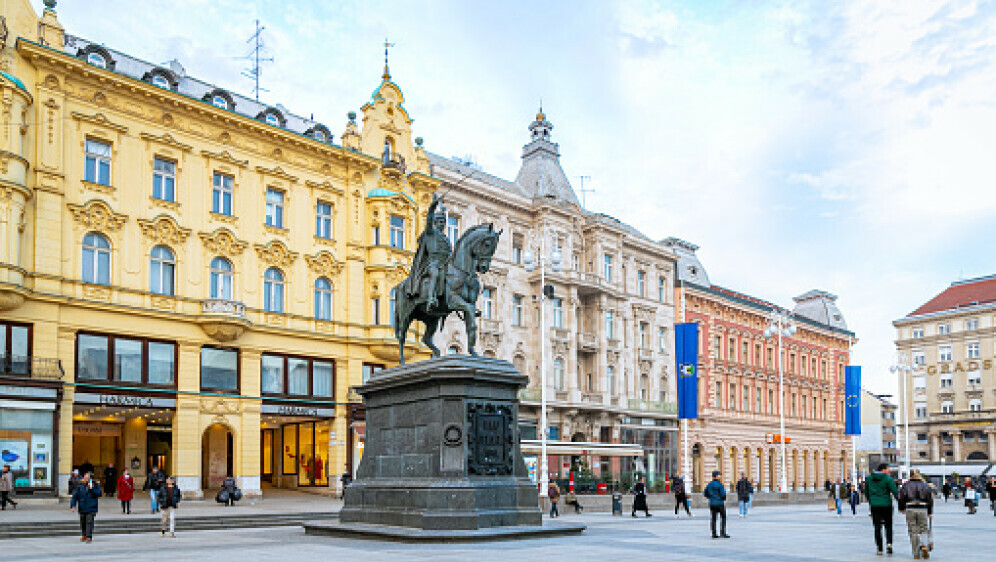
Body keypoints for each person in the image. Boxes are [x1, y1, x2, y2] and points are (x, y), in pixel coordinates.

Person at [407, 193, 452, 310]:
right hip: (432, 263)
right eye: (440, 221)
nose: (442, 224)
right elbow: (428, 219)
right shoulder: (430, 233)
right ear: (435, 222)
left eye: (443, 222)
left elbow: (450, 253)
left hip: (445, 264)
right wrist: (432, 207)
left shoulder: (446, 239)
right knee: (435, 273)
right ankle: (431, 298)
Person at [864, 462, 899, 556]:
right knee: (888, 525)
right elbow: (895, 492)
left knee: (877, 527)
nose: (889, 471)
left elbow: (866, 492)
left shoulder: (869, 479)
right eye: (888, 469)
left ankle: (879, 548)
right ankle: (889, 543)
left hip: (875, 505)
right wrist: (901, 503)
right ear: (883, 469)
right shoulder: (888, 479)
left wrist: (871, 501)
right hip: (886, 504)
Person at [898, 470, 933, 560]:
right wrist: (930, 512)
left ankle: (916, 553)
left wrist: (901, 508)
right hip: (923, 508)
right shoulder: (925, 485)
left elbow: (901, 497)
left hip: (910, 508)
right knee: (923, 529)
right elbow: (929, 499)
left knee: (913, 531)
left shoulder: (906, 485)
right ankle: (924, 545)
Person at [69, 471, 102, 543]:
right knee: (83, 522)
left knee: (89, 521)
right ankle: (84, 534)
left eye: (88, 477)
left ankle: (89, 536)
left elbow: (99, 493)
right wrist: (73, 505)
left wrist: (92, 489)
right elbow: (75, 496)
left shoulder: (95, 485)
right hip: (82, 507)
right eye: (85, 477)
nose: (86, 479)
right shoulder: (80, 485)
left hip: (91, 507)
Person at [704, 470, 729, 539]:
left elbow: (705, 493)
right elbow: (723, 494)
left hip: (712, 503)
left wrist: (710, 498)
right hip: (720, 503)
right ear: (716, 476)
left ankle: (714, 533)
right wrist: (723, 499)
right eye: (719, 475)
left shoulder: (709, 484)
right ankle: (722, 532)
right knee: (723, 517)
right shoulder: (720, 484)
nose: (720, 476)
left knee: (713, 518)